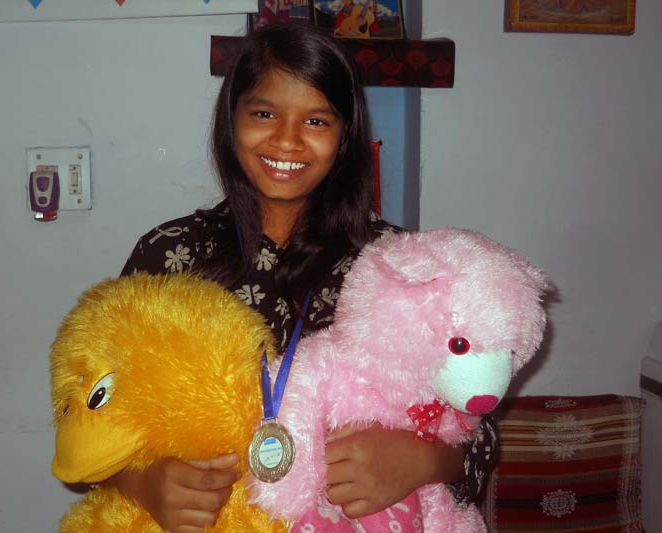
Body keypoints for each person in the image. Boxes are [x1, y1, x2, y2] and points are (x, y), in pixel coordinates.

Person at [113, 22, 498, 532]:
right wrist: (140, 481)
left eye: (316, 121)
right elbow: (91, 412)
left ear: (344, 138)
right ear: (232, 121)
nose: (287, 140)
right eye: (265, 113)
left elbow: (479, 429)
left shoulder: (400, 266)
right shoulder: (168, 257)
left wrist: (424, 460)